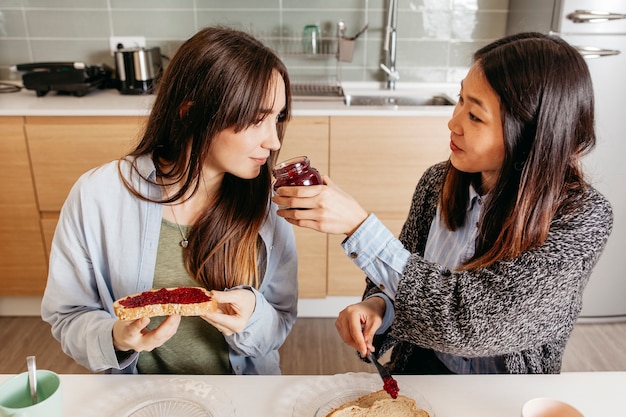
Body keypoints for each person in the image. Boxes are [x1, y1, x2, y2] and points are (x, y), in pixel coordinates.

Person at [272, 32, 613, 374]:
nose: (453, 122)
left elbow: (471, 323)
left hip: (505, 396)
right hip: (423, 369)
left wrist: (360, 228)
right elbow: (403, 273)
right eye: (460, 99)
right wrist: (379, 307)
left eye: (475, 116)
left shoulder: (582, 219)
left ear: (531, 134)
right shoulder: (438, 182)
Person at [41, 26, 298, 375]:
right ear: (190, 114)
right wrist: (114, 336)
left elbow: (281, 320)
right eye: (256, 120)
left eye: (278, 117)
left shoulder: (268, 206)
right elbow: (68, 315)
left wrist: (253, 316)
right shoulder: (97, 196)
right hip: (143, 400)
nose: (273, 141)